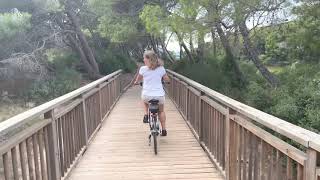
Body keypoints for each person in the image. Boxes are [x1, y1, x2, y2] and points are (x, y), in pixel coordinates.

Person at [134, 50, 170, 136]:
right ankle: (164, 130)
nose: (143, 60)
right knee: (161, 111)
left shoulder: (143, 69)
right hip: (159, 96)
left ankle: (146, 114)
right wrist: (166, 81)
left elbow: (137, 79)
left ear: (148, 59)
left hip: (147, 95)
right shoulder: (161, 68)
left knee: (144, 100)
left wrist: (135, 82)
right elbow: (167, 79)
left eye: (144, 58)